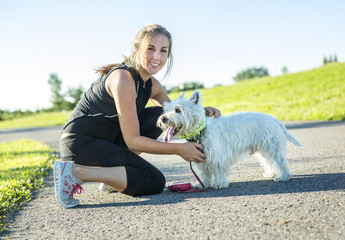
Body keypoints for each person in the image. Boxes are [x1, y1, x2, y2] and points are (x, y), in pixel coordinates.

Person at [54, 24, 221, 208]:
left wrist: (200, 111)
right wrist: (179, 149)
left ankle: (112, 178)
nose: (157, 57)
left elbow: (175, 114)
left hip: (105, 142)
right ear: (137, 48)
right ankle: (75, 172)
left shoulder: (152, 85)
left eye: (163, 51)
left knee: (161, 114)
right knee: (153, 180)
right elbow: (133, 140)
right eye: (150, 49)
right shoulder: (123, 79)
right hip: (81, 144)